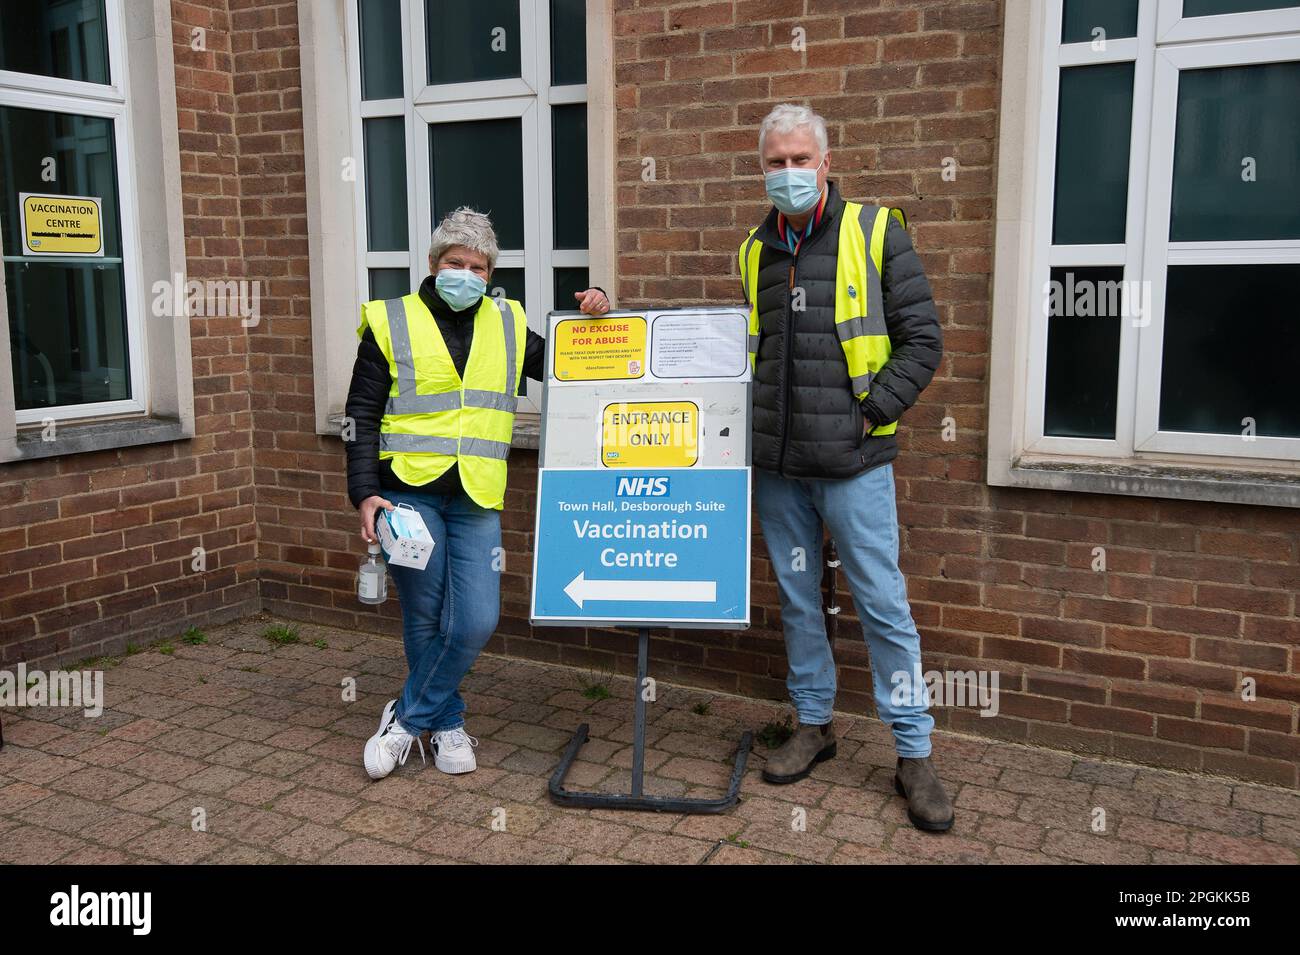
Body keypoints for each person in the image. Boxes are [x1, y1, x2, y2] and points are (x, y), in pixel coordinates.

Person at [738, 104, 952, 831]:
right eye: (776, 161)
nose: (788, 173)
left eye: (801, 160)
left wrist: (869, 411)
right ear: (761, 167)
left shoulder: (875, 230)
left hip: (855, 462)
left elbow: (923, 340)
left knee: (883, 605)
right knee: (800, 602)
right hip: (780, 467)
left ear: (826, 163)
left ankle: (914, 752)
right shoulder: (753, 251)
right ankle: (814, 724)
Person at [345, 206, 609, 780]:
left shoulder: (509, 324)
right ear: (435, 264)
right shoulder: (392, 320)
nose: (466, 273)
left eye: (479, 267)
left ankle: (406, 719)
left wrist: (597, 313)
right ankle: (448, 721)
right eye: (455, 262)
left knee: (475, 620)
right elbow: (361, 413)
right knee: (424, 614)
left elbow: (574, 361)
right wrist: (364, 492)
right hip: (407, 492)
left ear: (490, 274)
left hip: (476, 496)